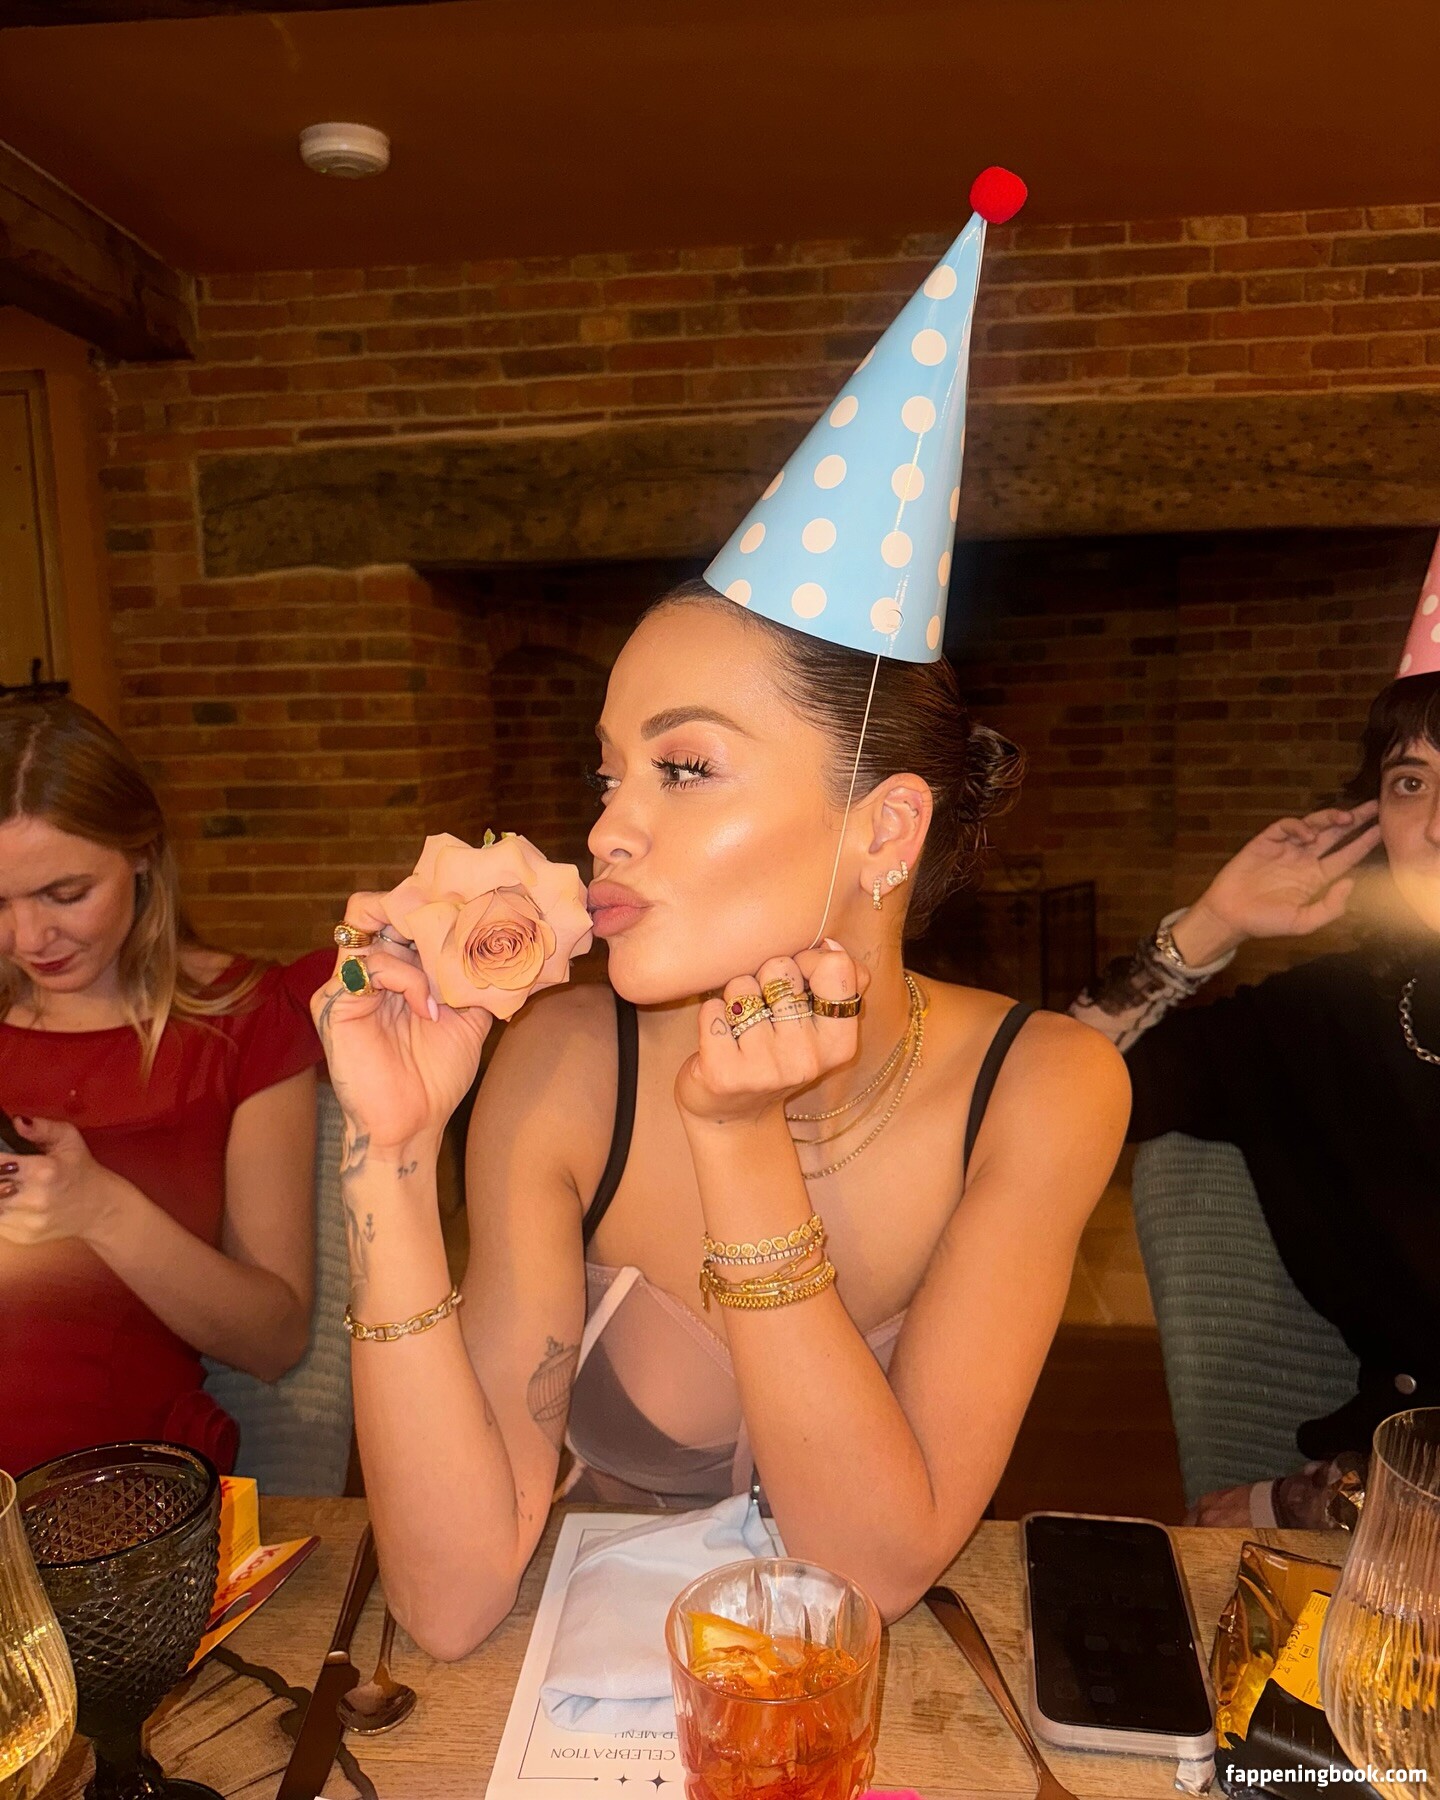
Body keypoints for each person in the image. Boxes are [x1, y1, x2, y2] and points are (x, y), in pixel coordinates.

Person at [313, 173, 1131, 1661]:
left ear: (886, 830)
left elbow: (873, 1566)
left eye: (684, 767)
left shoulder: (1048, 1085)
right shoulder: (565, 1063)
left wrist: (740, 1140)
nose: (608, 826)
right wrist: (393, 1154)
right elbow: (445, 1601)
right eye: (608, 771)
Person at [1073, 598, 1440, 1526]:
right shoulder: (1332, 1018)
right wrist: (1209, 928)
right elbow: (1050, 1090)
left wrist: (1303, 1503)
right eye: (1411, 782)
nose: (1437, 823)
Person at [0, 696, 333, 1475]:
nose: (29, 938)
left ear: (143, 854)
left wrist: (100, 1209)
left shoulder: (244, 1021)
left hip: (111, 1491)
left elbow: (273, 1340)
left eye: (65, 894)